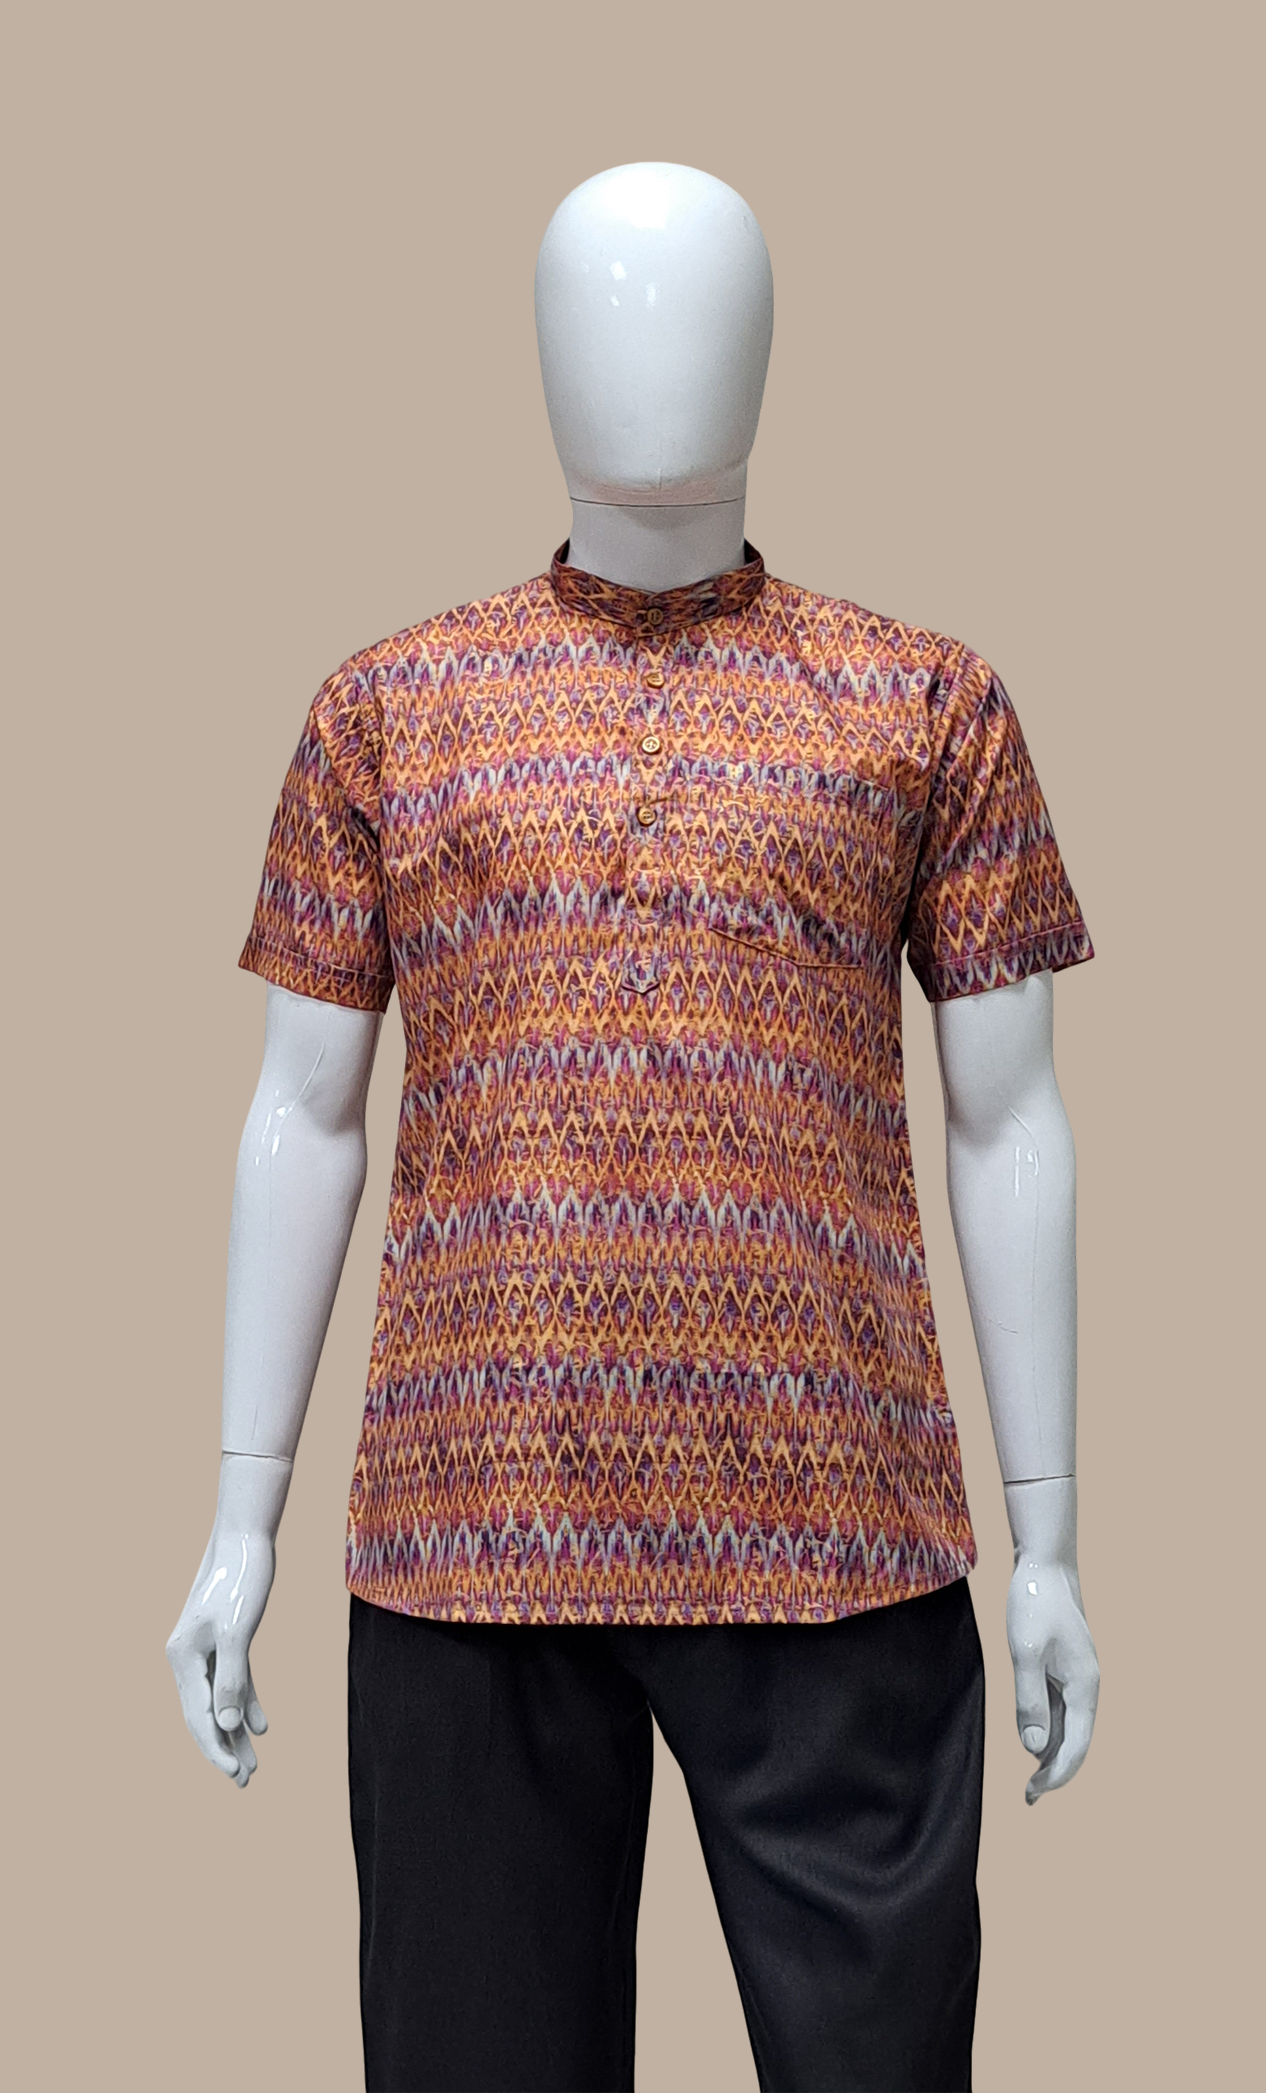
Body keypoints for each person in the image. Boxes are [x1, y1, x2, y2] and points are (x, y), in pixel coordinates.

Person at [168, 162, 1100, 2093]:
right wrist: (238, 1517)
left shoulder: (925, 702)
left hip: (838, 1535)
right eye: (599, 304)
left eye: (694, 305)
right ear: (534, 355)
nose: (647, 351)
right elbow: (302, 1114)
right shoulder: (387, 709)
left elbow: (1004, 1120)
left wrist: (1047, 1542)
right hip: (466, 1536)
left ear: (766, 354)